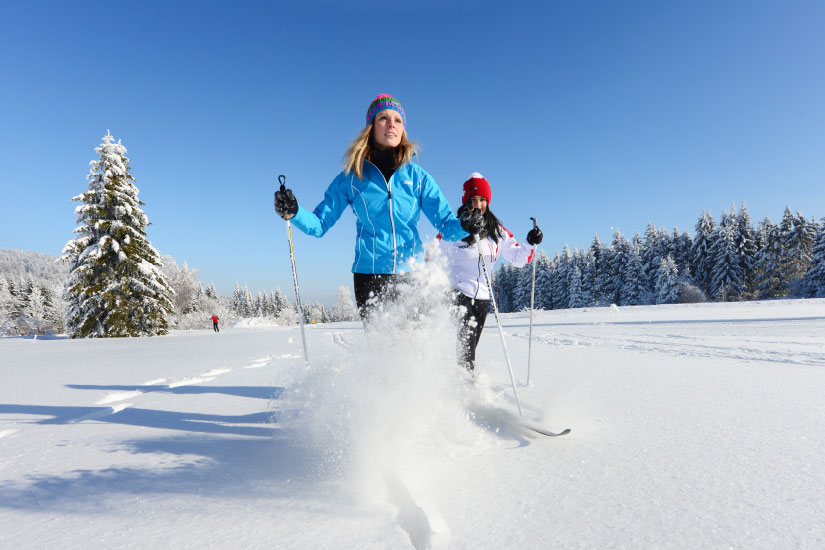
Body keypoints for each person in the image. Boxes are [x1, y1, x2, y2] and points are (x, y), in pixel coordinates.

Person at [274, 94, 473, 319]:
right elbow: (319, 225)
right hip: (370, 278)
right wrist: (295, 212)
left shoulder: (418, 178)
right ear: (371, 127)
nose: (391, 124)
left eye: (398, 120)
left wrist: (468, 224)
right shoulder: (352, 177)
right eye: (383, 118)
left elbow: (447, 225)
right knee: (385, 352)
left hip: (413, 275)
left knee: (414, 351)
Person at [439, 173, 543, 372]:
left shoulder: (497, 231)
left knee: (470, 345)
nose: (478, 204)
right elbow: (432, 254)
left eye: (482, 200)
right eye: (473, 200)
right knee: (466, 336)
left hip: (483, 297)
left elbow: (519, 259)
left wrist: (530, 242)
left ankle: (457, 378)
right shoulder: (453, 228)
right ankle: (466, 386)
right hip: (456, 292)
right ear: (466, 201)